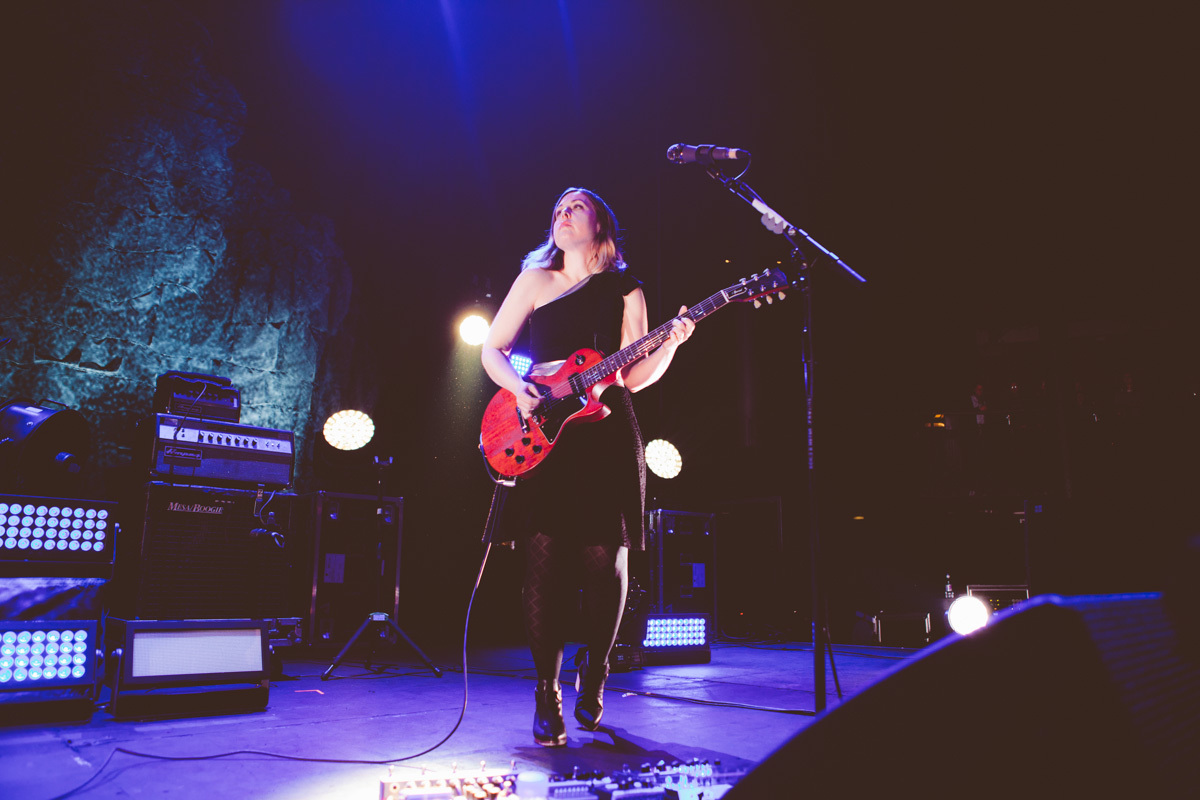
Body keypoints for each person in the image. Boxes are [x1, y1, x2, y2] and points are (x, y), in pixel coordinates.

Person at [481, 187, 694, 746]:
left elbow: (634, 374)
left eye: (575, 207)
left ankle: (595, 670)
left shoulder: (626, 288)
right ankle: (546, 693)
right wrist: (519, 389)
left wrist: (670, 345)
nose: (563, 213)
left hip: (606, 430)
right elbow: (491, 349)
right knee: (544, 564)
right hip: (545, 428)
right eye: (557, 208)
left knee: (607, 563)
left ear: (601, 224)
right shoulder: (534, 281)